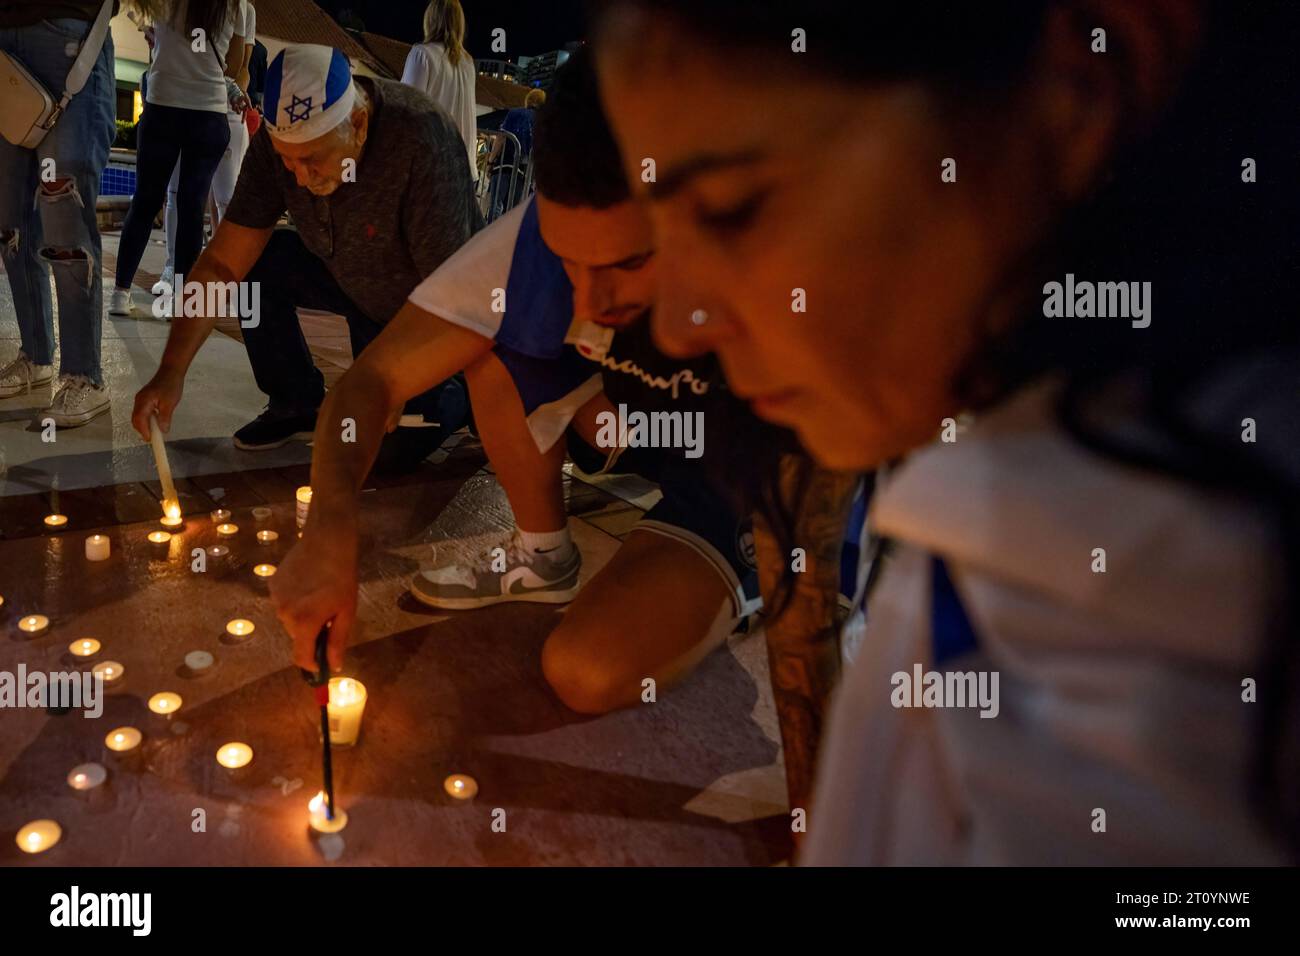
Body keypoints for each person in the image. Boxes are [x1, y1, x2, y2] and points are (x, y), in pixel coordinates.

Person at [593, 0, 1300, 864]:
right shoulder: (988, 496)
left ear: (1080, 90)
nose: (676, 323)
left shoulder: (1141, 627)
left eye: (734, 207)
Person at [269, 53, 764, 718]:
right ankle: (542, 555)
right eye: (567, 257)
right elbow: (373, 382)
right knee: (490, 336)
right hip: (637, 420)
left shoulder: (780, 264)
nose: (590, 302)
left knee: (586, 670)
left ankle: (752, 566)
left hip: (747, 480)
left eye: (631, 261)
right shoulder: (531, 236)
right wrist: (329, 525)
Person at [131, 43, 479, 467]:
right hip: (345, 277)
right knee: (258, 262)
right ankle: (295, 402)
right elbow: (222, 264)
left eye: (313, 159)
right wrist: (171, 372)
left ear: (358, 124)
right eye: (288, 160)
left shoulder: (421, 138)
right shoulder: (276, 149)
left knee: (381, 449)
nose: (300, 176)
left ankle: (460, 397)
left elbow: (452, 298)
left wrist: (385, 379)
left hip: (422, 311)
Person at [0, 1, 117, 423]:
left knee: (65, 224)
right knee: (10, 223)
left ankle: (84, 376)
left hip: (71, 33)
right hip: (8, 38)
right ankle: (36, 356)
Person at [110, 0, 247, 318]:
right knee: (191, 206)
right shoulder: (234, 4)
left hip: (163, 105)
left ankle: (120, 292)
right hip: (208, 111)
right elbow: (235, 61)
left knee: (145, 201)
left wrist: (155, 33)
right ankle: (181, 303)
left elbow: (135, 14)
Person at [401, 0, 477, 184]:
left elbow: (406, 111)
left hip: (431, 169)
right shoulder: (468, 63)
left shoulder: (422, 55)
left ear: (430, 19)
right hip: (463, 170)